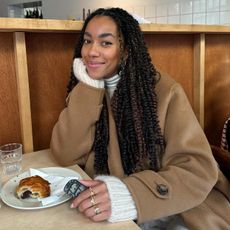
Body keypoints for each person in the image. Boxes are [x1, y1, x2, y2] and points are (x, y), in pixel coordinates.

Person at [50, 7, 230, 230]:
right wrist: (88, 88)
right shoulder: (86, 89)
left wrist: (131, 194)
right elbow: (64, 154)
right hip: (104, 213)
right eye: (87, 41)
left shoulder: (164, 92)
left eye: (106, 43)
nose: (91, 52)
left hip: (177, 210)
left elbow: (198, 169)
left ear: (125, 49)